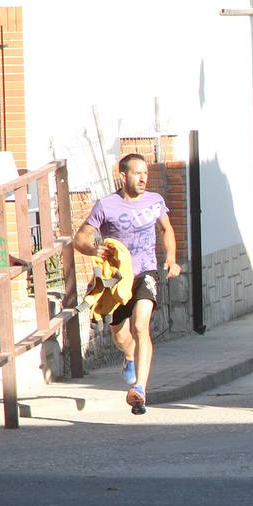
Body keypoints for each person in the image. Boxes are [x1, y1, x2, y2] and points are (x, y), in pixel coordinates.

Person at [74, 154, 180, 415]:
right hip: (118, 278)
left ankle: (140, 390)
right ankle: (130, 356)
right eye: (137, 173)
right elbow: (81, 237)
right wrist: (91, 248)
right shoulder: (106, 206)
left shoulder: (155, 201)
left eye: (145, 173)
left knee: (141, 325)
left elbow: (166, 229)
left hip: (146, 271)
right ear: (123, 176)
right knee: (121, 336)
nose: (143, 178)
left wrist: (172, 259)